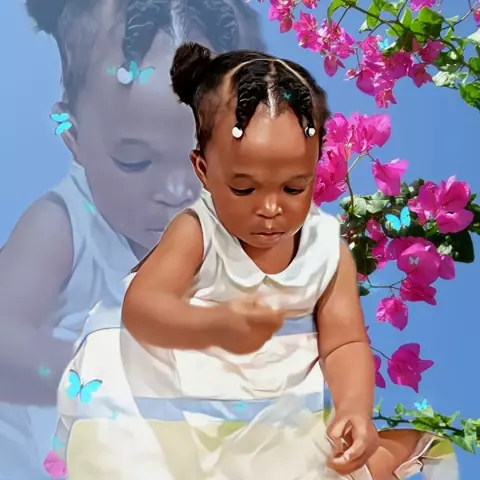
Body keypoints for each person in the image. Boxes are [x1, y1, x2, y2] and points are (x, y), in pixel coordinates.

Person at [53, 43, 459, 479]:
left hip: (266, 408)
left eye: (294, 188)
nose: (270, 208)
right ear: (203, 170)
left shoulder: (326, 250)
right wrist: (216, 324)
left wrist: (354, 408)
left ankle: (396, 451)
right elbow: (143, 308)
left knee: (315, 465)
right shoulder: (197, 232)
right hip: (175, 396)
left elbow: (344, 343)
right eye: (244, 189)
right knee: (138, 458)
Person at [0, 1, 265, 478]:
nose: (177, 191)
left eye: (204, 161)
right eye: (135, 162)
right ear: (74, 137)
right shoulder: (63, 226)